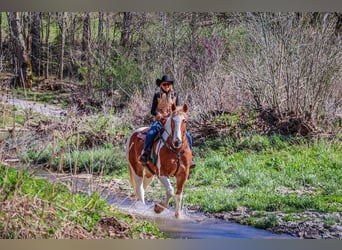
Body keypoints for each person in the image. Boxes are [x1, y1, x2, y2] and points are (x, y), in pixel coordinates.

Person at [139, 75, 195, 168]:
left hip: (172, 119)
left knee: (188, 135)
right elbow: (153, 110)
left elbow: (178, 108)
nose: (166, 86)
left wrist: (176, 114)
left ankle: (190, 156)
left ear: (170, 85)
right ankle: (146, 153)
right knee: (151, 133)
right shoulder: (157, 95)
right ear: (161, 85)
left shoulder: (175, 95)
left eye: (168, 84)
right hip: (160, 120)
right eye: (164, 84)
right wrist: (158, 114)